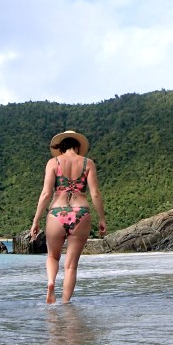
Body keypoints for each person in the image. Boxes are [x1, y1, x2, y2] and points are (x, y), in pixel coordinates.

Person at [30, 130, 106, 303]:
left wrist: (36, 221)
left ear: (61, 148)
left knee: (52, 256)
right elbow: (95, 194)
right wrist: (102, 219)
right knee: (71, 266)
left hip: (57, 212)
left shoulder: (53, 162)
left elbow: (46, 193)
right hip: (81, 213)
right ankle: (65, 304)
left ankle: (51, 283)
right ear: (78, 147)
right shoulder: (88, 163)